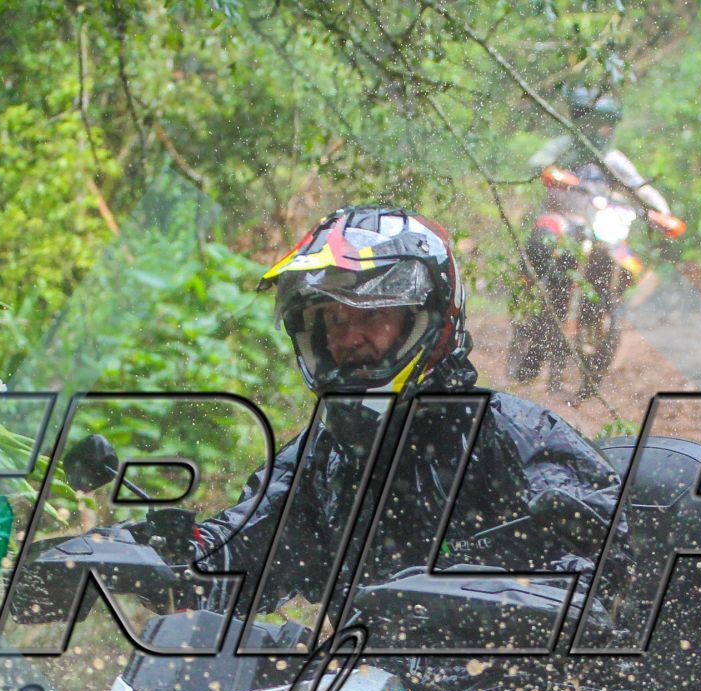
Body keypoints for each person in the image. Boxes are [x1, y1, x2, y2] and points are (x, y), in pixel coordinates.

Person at [195, 205, 622, 617]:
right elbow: (238, 548)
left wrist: (467, 610)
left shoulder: (515, 437)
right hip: (356, 668)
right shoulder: (323, 456)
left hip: (501, 668)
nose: (349, 338)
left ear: (428, 320)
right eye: (334, 320)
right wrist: (176, 560)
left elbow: (605, 578)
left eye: (373, 314)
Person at [509, 86, 674, 388]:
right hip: (561, 221)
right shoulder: (563, 148)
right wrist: (551, 172)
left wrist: (662, 213)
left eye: (608, 125)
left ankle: (599, 318)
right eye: (598, 124)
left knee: (621, 260)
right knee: (542, 247)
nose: (602, 131)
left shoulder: (613, 159)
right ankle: (531, 318)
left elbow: (640, 188)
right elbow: (536, 165)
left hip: (598, 225)